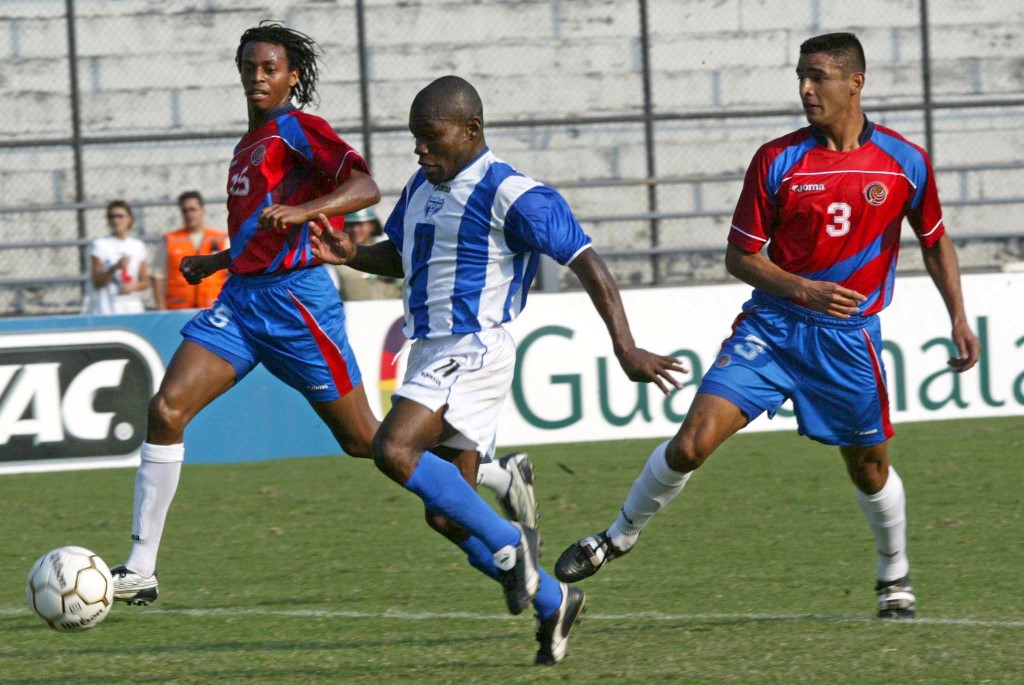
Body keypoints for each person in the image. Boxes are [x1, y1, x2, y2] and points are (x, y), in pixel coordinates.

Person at [554, 33, 981, 620]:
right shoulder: (778, 159)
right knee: (691, 443)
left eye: (818, 77)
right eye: (801, 76)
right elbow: (739, 257)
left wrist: (957, 316)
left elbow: (934, 242)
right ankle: (618, 535)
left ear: (855, 82)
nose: (805, 89)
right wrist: (802, 287)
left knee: (870, 467)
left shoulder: (904, 162)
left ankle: (893, 573)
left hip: (848, 341)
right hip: (773, 328)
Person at [310, 75, 685, 665]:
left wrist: (626, 346)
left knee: (392, 450)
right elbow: (403, 256)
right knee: (446, 515)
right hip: (430, 350)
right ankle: (555, 600)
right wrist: (353, 254)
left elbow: (587, 260)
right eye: (415, 139)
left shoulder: (513, 193)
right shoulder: (421, 187)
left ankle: (516, 541)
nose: (420, 150)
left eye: (430, 138)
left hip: (475, 347)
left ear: (471, 130)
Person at [109, 22, 383, 607]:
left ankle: (485, 472)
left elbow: (365, 186)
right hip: (241, 297)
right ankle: (140, 569)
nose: (258, 77)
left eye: (270, 69)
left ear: (293, 77)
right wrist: (215, 260)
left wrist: (307, 208)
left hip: (295, 301)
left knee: (366, 443)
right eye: (250, 67)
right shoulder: (248, 143)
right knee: (166, 409)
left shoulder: (299, 129)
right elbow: (262, 232)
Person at [150, 191, 229, 310]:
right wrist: (161, 310)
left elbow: (233, 272)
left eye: (193, 209)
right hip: (178, 309)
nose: (189, 214)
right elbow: (157, 276)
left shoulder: (221, 238)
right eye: (185, 210)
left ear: (203, 210)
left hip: (215, 307)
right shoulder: (170, 239)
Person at [81, 200, 150, 315]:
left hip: (132, 308)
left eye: (120, 216)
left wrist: (133, 286)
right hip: (107, 308)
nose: (116, 221)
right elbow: (97, 282)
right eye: (112, 217)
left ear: (130, 219)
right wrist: (114, 268)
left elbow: (145, 281)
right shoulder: (100, 245)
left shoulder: (138, 246)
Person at [334, 207, 401, 301]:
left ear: (372, 225)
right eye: (350, 225)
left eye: (360, 224)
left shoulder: (391, 253)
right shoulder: (336, 260)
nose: (355, 230)